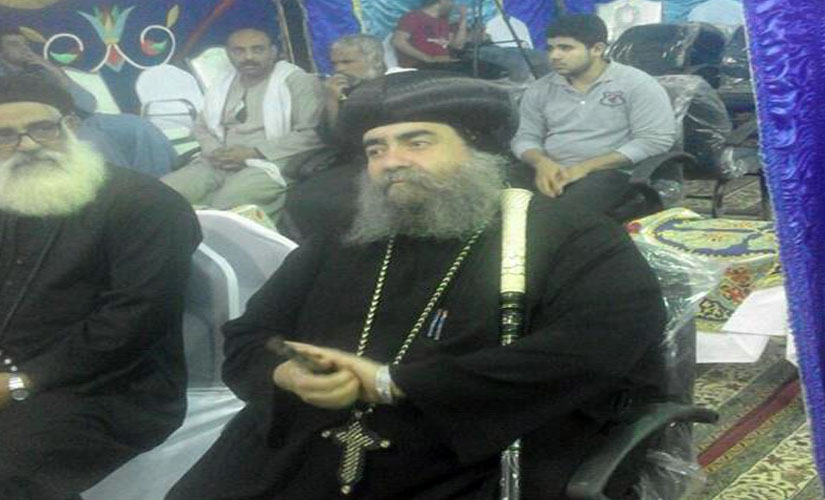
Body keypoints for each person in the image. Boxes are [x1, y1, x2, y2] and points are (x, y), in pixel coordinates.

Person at [166, 71, 669, 500]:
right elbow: (250, 336)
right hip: (304, 442)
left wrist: (394, 383)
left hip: (467, 450)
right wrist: (287, 375)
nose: (392, 161)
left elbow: (595, 349)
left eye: (417, 142)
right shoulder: (343, 240)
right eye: (376, 149)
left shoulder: (569, 235)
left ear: (476, 147)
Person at [0, 75, 200, 499]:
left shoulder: (147, 204)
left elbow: (135, 320)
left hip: (110, 388)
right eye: (6, 135)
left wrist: (21, 381)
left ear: (71, 125)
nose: (27, 145)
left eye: (42, 128)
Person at [511, 15, 676, 214]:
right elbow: (525, 137)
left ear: (597, 49)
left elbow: (655, 140)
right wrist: (541, 162)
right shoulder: (540, 89)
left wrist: (584, 167)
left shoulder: (636, 84)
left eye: (566, 48)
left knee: (550, 213)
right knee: (494, 197)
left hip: (611, 172)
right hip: (551, 169)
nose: (554, 56)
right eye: (550, 48)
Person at [162, 28, 328, 222]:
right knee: (163, 193)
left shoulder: (297, 81)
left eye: (257, 49)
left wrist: (254, 152)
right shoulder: (223, 83)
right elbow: (202, 126)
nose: (248, 57)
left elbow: (311, 133)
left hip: (272, 161)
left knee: (231, 204)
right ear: (228, 54)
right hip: (219, 160)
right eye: (239, 51)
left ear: (273, 52)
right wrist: (215, 151)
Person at [0, 26, 178, 177]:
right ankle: (129, 194)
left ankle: (162, 183)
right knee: (96, 142)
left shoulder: (42, 71)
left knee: (138, 126)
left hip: (85, 118)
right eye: (14, 44)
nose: (25, 49)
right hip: (52, 130)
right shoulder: (4, 80)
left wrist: (55, 71)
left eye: (26, 44)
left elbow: (88, 104)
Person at [283, 34, 387, 240]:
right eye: (335, 63)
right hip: (348, 160)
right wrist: (331, 100)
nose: (339, 69)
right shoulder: (342, 89)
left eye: (347, 62)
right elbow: (333, 138)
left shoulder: (394, 86)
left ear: (374, 60)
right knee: (297, 197)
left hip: (378, 160)